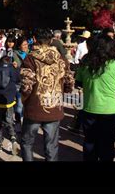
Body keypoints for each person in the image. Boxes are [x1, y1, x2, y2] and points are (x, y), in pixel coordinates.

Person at [20, 29, 74, 161]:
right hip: (54, 107)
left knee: (27, 143)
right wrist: (63, 91)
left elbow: (26, 85)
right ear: (51, 41)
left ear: (34, 39)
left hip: (34, 106)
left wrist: (25, 100)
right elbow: (69, 82)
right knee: (51, 146)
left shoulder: (30, 58)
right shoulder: (61, 59)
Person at [75, 36, 115, 161]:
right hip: (110, 111)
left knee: (90, 143)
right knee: (107, 145)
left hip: (89, 108)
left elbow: (78, 82)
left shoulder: (85, 63)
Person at [13, 37, 29, 127]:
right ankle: (18, 122)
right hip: (18, 81)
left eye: (26, 44)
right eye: (24, 45)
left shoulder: (30, 54)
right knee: (19, 105)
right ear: (19, 46)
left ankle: (25, 122)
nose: (26, 46)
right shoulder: (14, 54)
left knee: (27, 105)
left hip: (28, 82)